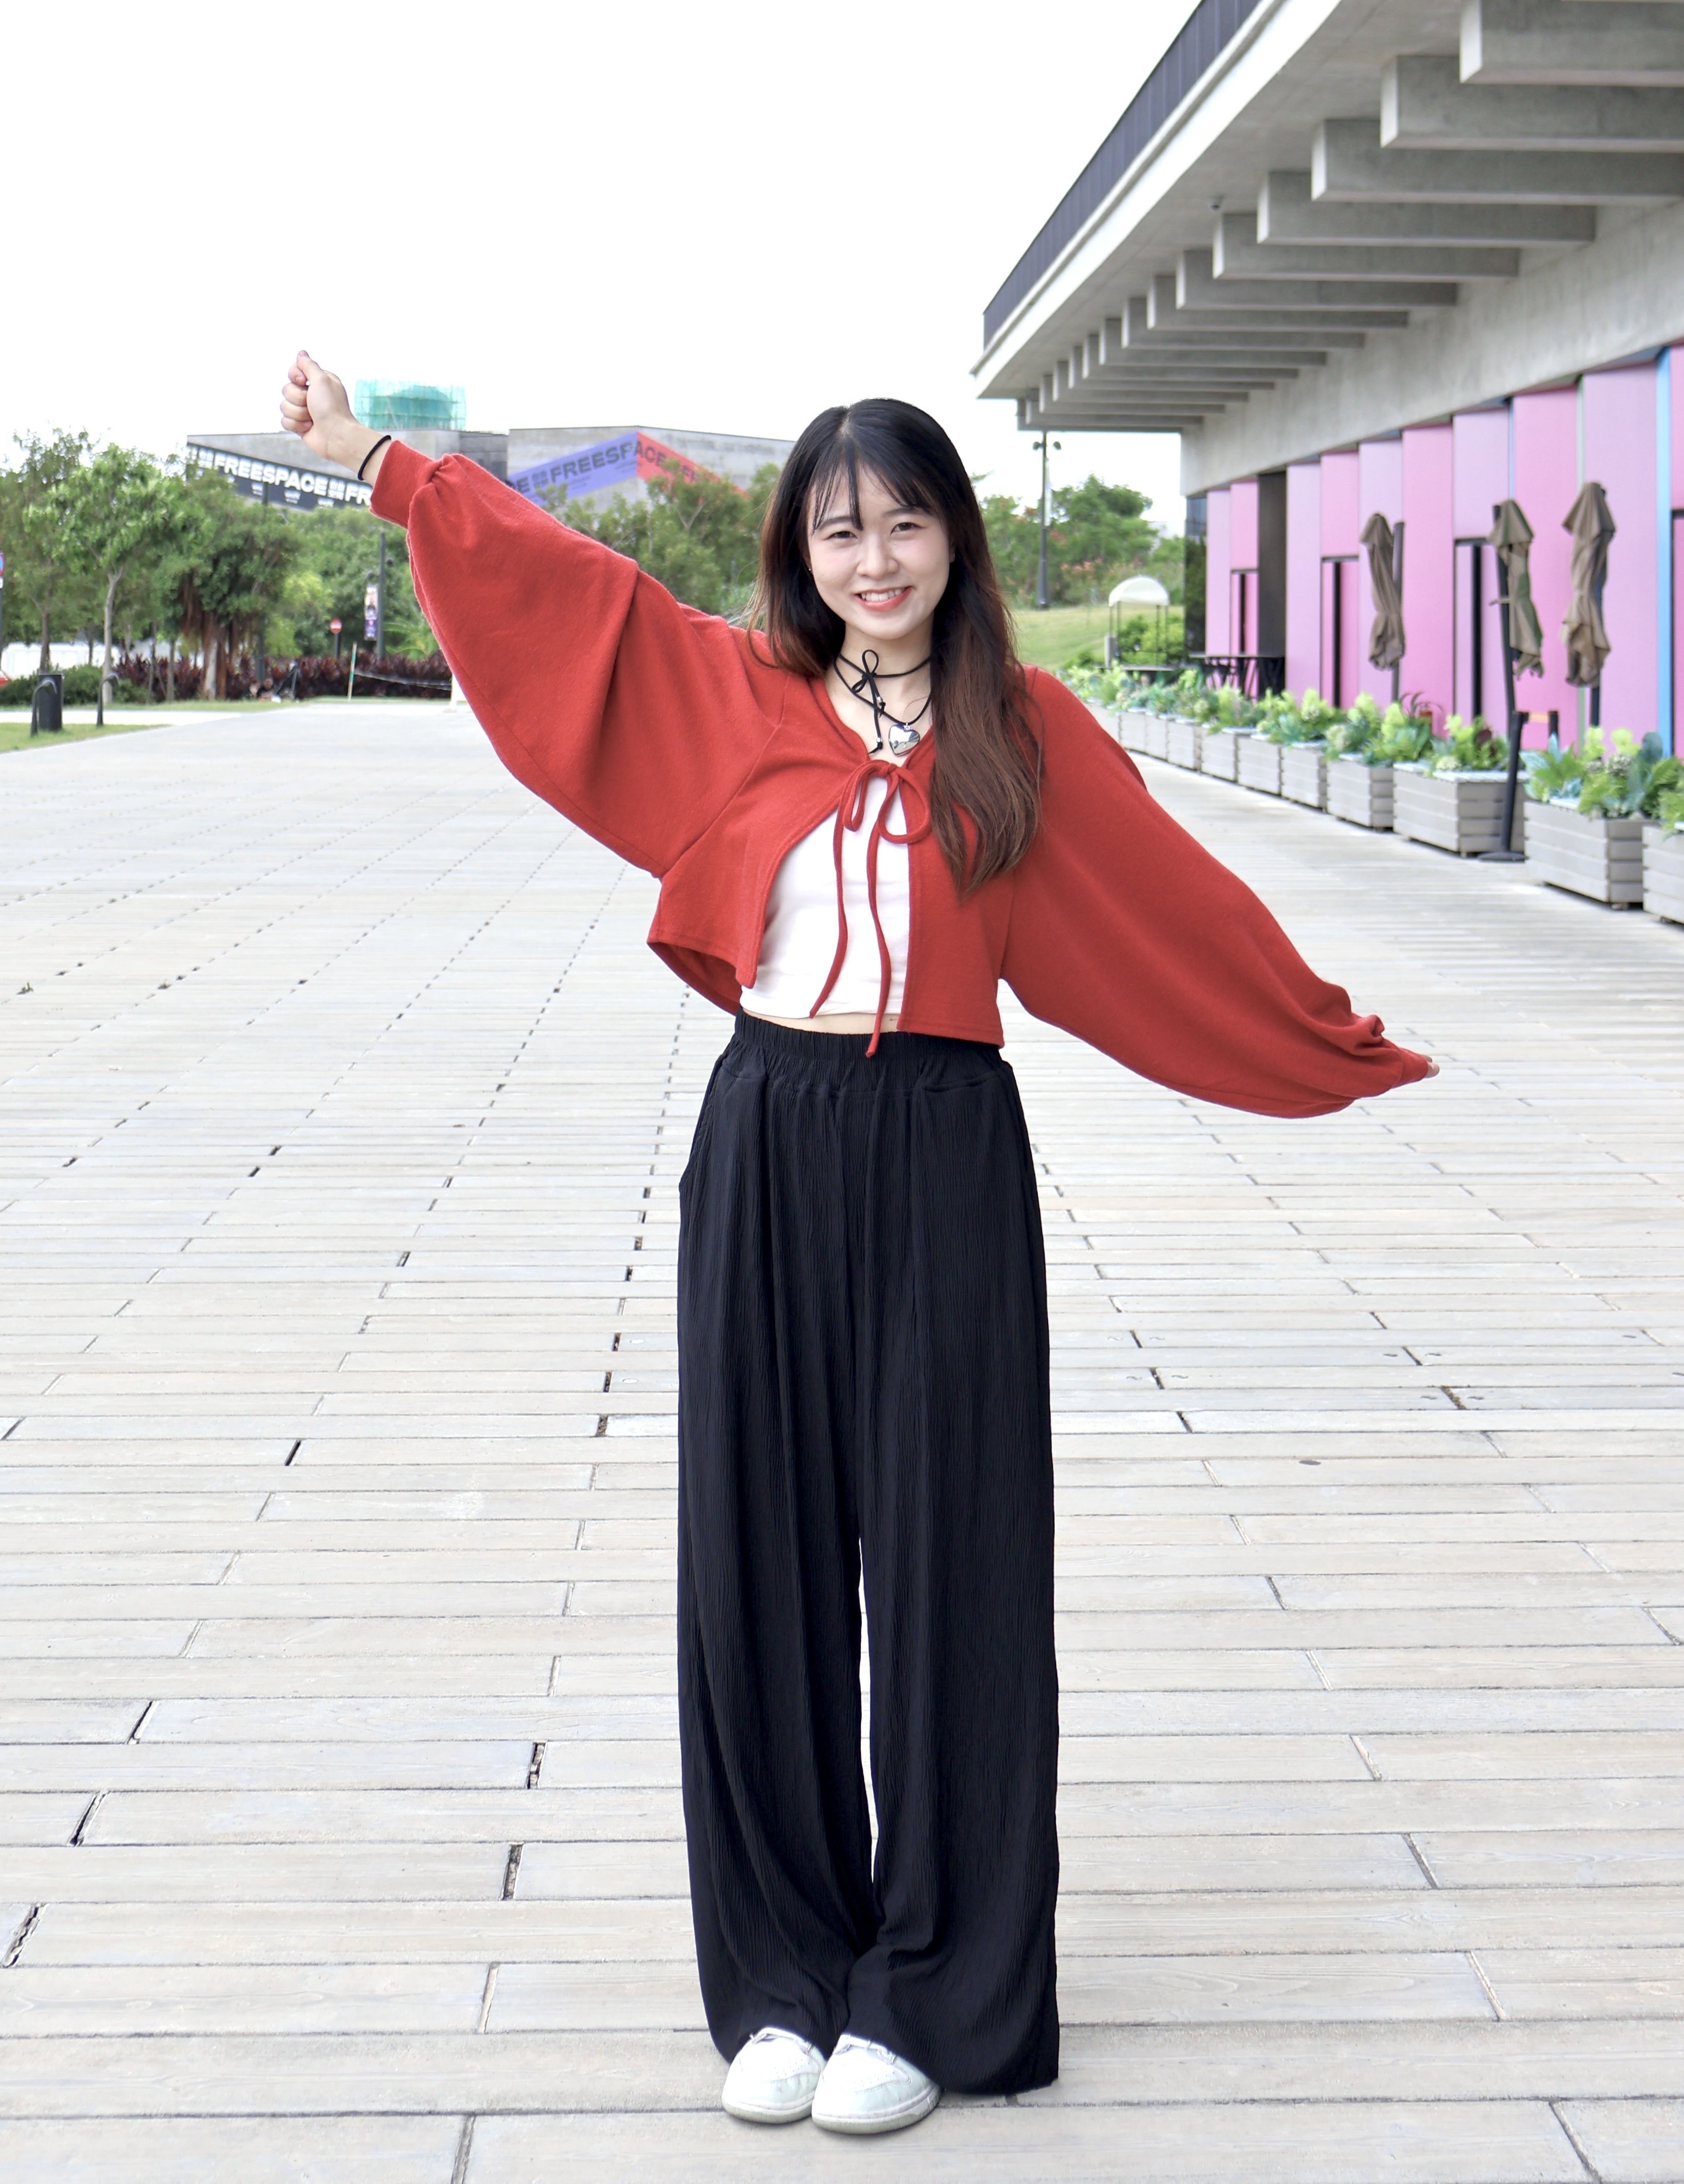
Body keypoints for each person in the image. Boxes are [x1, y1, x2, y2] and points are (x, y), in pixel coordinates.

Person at [280, 355, 1436, 2136]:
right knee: (757, 1558)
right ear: (799, 554)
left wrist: (1317, 1034)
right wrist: (382, 458)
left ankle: (935, 1989)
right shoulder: (736, 696)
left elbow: (1171, 910)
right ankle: (784, 1977)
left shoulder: (1023, 732)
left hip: (946, 1155)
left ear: (955, 539)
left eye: (904, 523)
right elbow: (568, 600)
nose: (874, 559)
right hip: (772, 1138)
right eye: (839, 531)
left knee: (960, 1563)